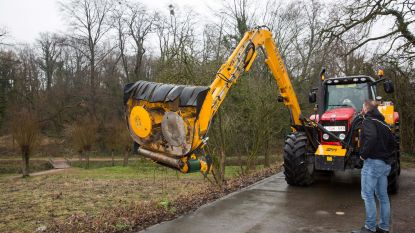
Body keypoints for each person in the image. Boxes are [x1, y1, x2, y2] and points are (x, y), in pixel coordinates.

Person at [352, 100, 395, 233]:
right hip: (384, 164)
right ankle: (384, 227)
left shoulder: (368, 121)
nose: (362, 110)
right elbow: (393, 143)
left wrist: (362, 156)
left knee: (367, 195)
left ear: (366, 109)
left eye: (363, 108)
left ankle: (369, 227)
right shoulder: (385, 124)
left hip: (372, 163)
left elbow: (371, 138)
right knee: (383, 196)